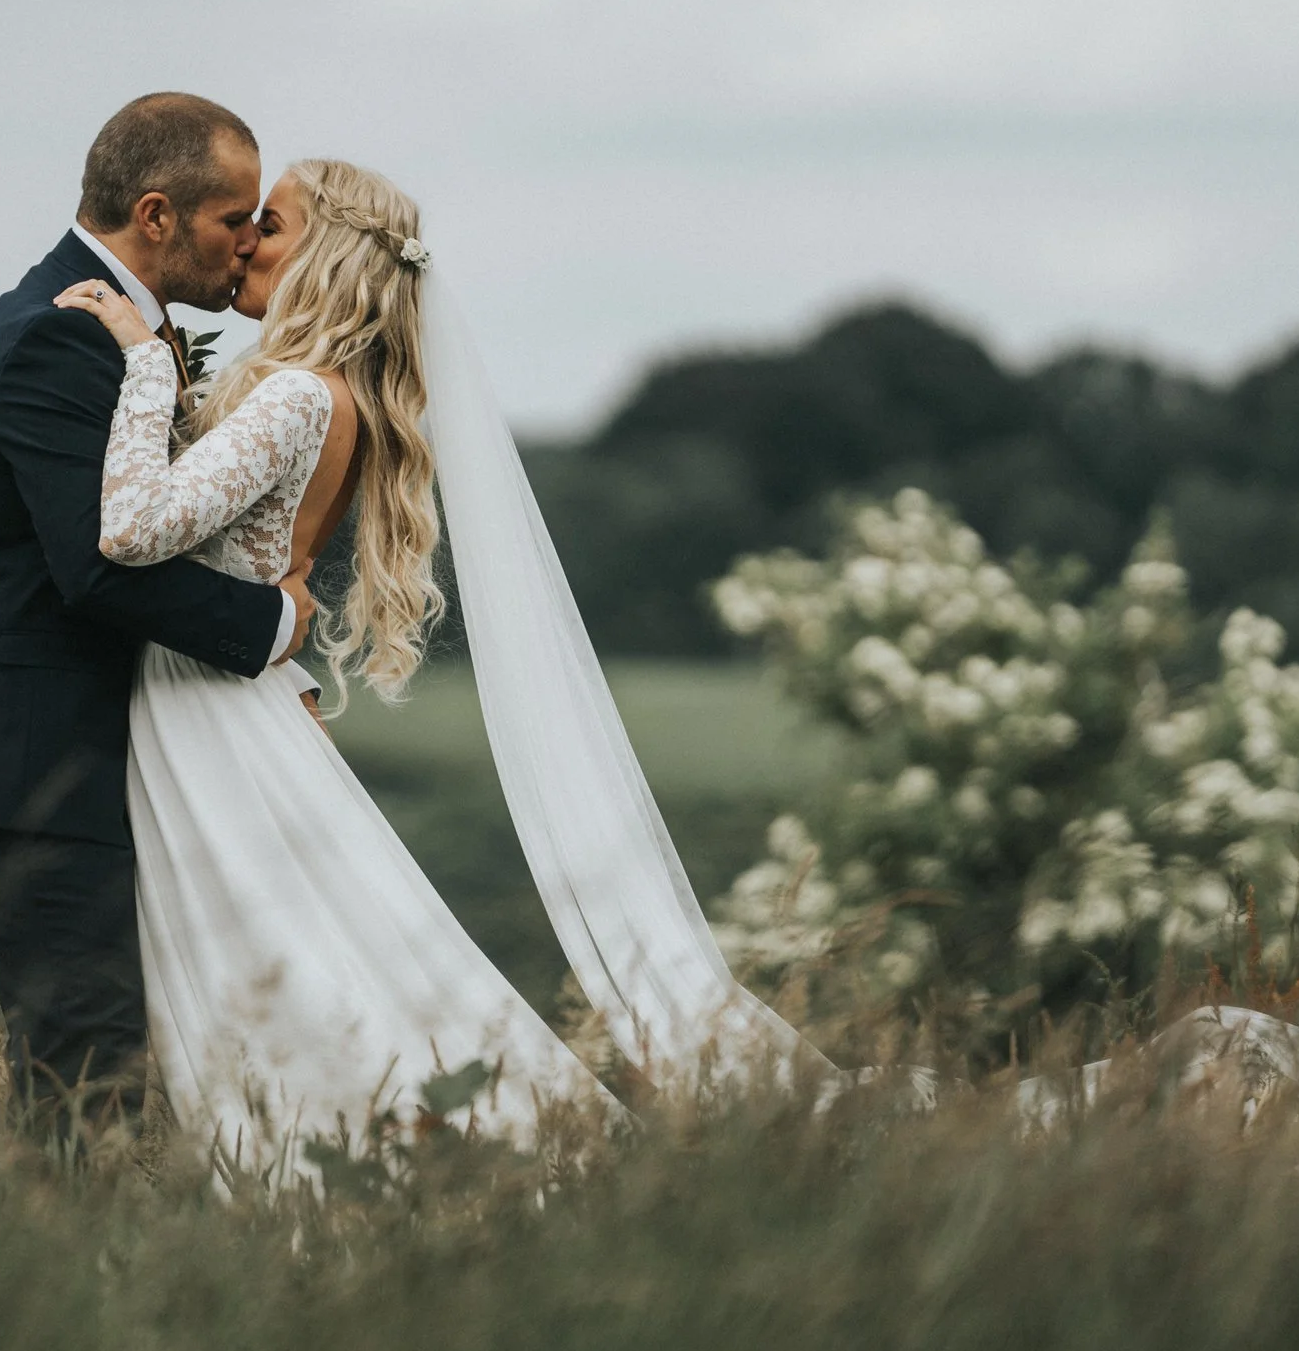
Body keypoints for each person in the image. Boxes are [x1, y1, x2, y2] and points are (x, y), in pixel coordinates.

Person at [53, 157, 819, 1175]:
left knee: (286, 970)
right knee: (310, 959)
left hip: (209, 719)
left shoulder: (292, 397)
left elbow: (138, 527)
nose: (242, 242)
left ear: (324, 254)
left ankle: (422, 1166)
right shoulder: (324, 394)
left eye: (268, 227)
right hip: (223, 703)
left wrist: (145, 362)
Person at [0, 93, 315, 1108]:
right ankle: (66, 1259)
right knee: (89, 1068)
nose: (247, 241)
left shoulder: (102, 323)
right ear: (155, 215)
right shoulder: (58, 336)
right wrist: (276, 625)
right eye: (230, 218)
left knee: (98, 1058)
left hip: (60, 752)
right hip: (20, 763)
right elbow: (98, 564)